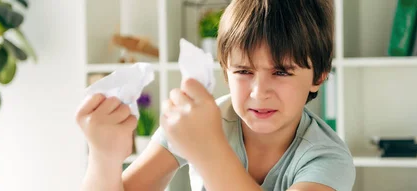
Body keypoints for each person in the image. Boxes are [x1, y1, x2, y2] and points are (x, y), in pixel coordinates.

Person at [76, 0, 356, 190]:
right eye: (244, 71)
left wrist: (208, 149)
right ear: (225, 71)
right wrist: (104, 156)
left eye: (281, 72)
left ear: (319, 76)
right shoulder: (201, 120)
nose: (259, 92)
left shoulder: (327, 158)